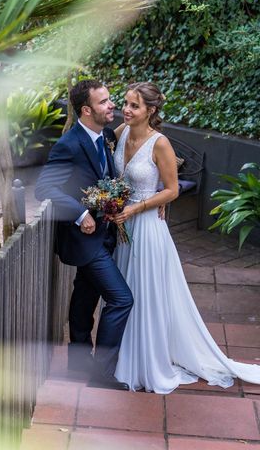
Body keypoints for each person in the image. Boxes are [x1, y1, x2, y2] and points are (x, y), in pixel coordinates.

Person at [111, 82, 260, 393]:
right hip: (122, 226)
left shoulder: (160, 143)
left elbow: (172, 189)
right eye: (125, 103)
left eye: (134, 105)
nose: (125, 109)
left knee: (143, 294)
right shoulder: (119, 134)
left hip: (147, 228)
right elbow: (116, 178)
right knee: (122, 292)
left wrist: (140, 206)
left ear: (150, 111)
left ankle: (146, 362)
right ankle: (122, 356)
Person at [35, 79, 133, 390]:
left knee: (85, 295)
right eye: (104, 102)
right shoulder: (69, 143)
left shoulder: (105, 135)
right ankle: (101, 375)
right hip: (83, 240)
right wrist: (80, 215)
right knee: (121, 299)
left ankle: (77, 362)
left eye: (110, 99)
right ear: (86, 110)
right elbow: (43, 189)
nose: (112, 105)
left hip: (104, 235)